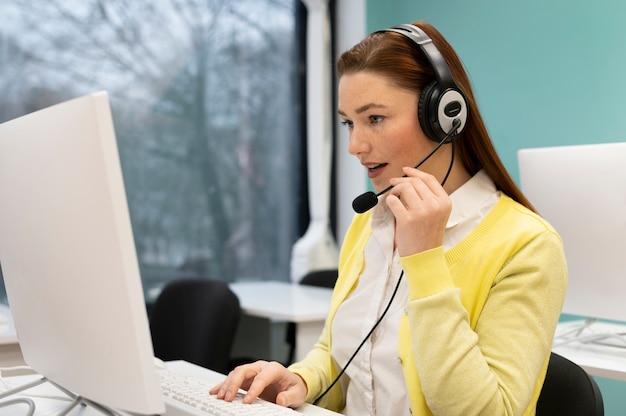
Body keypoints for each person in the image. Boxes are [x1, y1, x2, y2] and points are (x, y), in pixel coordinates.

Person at [210, 21, 567, 415]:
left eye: (375, 119)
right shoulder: (372, 220)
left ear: (445, 115)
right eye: (349, 122)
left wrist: (425, 259)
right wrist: (303, 379)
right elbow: (342, 349)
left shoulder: (528, 246)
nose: (355, 146)